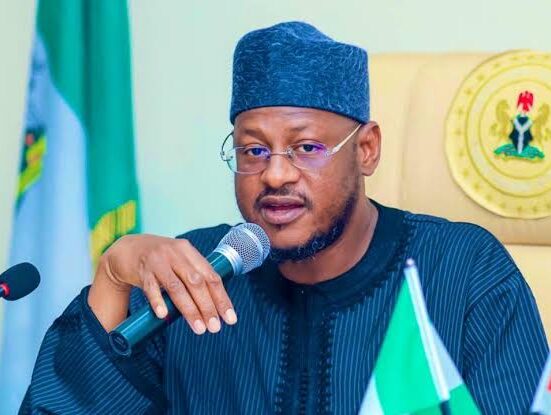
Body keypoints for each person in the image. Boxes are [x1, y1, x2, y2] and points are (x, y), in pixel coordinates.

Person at [21, 21, 548, 415]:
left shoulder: (464, 270)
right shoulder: (192, 274)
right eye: (253, 151)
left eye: (307, 147)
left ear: (366, 149)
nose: (274, 174)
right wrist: (113, 277)